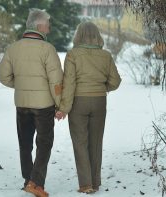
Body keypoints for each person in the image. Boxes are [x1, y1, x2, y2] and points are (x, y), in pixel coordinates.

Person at [0, 8, 63, 197]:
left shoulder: (13, 48)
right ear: (40, 26)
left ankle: (28, 179)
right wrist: (59, 104)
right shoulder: (47, 49)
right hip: (43, 106)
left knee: (25, 143)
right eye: (48, 25)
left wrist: (21, 86)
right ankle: (35, 183)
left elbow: (3, 76)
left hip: (22, 103)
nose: (49, 30)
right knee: (44, 143)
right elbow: (56, 82)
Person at [55, 21, 121, 194]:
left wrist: (64, 108)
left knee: (80, 143)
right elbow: (115, 81)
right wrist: (101, 88)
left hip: (78, 102)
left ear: (78, 35)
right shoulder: (105, 56)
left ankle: (86, 184)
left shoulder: (73, 54)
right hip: (99, 101)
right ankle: (96, 182)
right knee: (96, 143)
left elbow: (69, 83)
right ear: (97, 35)